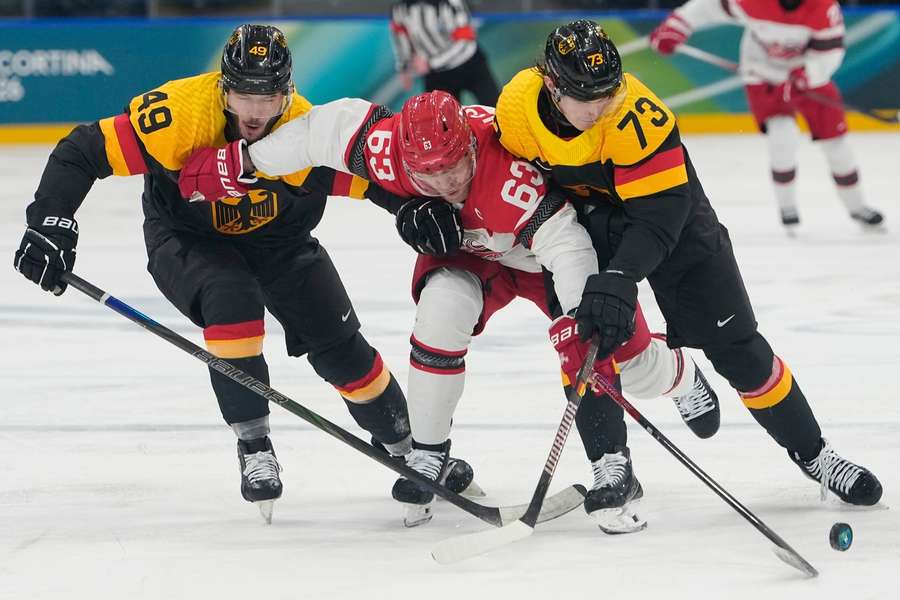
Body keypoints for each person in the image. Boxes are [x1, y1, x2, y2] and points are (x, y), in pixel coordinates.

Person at [181, 88, 728, 532]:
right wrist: (242, 161)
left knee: (622, 358)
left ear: (470, 145)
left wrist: (576, 314)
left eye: (454, 169)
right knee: (440, 313)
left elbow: (567, 244)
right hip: (473, 256)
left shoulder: (509, 178)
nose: (445, 184)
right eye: (429, 177)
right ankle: (429, 452)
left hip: (537, 256)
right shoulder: (382, 146)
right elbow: (316, 131)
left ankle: (678, 376)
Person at [11, 24, 472, 524]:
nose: (255, 111)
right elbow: (82, 150)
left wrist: (408, 209)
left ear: (287, 92)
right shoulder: (180, 116)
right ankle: (254, 446)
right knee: (232, 300)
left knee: (342, 347)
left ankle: (407, 449)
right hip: (190, 242)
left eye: (268, 95)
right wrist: (51, 223)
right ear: (222, 87)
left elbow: (367, 178)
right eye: (243, 94)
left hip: (281, 244)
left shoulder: (302, 129)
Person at [494, 19, 883, 508]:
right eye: (585, 98)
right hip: (587, 226)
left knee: (737, 348)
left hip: (673, 222)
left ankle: (815, 454)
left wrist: (620, 276)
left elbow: (660, 217)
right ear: (552, 85)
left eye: (606, 94)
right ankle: (611, 466)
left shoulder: (637, 115)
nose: (599, 108)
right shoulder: (514, 109)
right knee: (585, 333)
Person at [650, 0, 884, 229]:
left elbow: (829, 52)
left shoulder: (824, 8)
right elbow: (709, 7)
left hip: (809, 77)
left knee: (836, 144)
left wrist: (805, 77)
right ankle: (787, 207)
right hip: (764, 73)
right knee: (782, 135)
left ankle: (857, 206)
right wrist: (676, 26)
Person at [389, 0, 500, 105]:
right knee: (440, 122)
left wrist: (430, 63)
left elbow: (465, 41)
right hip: (437, 76)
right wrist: (404, 68)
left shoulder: (451, 3)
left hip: (469, 64)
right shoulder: (400, 9)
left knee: (495, 108)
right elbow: (400, 37)